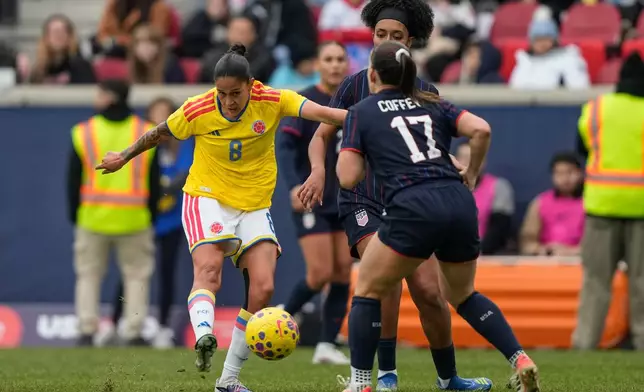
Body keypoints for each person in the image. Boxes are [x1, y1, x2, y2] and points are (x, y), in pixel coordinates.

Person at [95, 43, 347, 392]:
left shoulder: (273, 100)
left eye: (236, 93)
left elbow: (326, 114)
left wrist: (374, 118)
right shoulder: (197, 108)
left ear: (251, 85)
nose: (228, 101)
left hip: (254, 204)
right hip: (207, 198)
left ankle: (228, 381)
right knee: (209, 271)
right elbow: (159, 133)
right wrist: (124, 156)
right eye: (222, 93)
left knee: (264, 287)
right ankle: (204, 336)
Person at [297, 0, 490, 390]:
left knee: (430, 293)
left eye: (395, 36)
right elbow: (321, 136)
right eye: (380, 34)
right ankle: (385, 374)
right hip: (362, 201)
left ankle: (448, 378)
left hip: (409, 203)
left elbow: (429, 144)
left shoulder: (427, 92)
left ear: (412, 41)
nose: (385, 41)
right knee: (383, 279)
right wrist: (318, 171)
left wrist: (454, 163)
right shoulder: (354, 84)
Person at [336, 40, 540, 392]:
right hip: (459, 202)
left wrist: (361, 148)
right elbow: (481, 129)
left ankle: (361, 384)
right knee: (462, 295)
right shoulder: (432, 102)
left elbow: (348, 177)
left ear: (372, 74)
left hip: (413, 206)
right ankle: (518, 357)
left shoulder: (363, 111)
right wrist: (472, 172)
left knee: (368, 291)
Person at [67, 79, 159, 347]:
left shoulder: (83, 132)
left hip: (92, 218)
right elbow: (154, 181)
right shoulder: (145, 131)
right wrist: (149, 214)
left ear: (110, 96)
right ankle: (134, 331)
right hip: (135, 219)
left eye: (100, 93)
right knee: (137, 276)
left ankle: (87, 329)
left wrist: (76, 214)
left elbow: (73, 180)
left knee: (89, 275)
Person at [277, 41, 353, 365]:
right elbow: (286, 146)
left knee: (342, 273)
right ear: (318, 64)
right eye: (328, 59)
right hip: (313, 198)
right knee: (320, 272)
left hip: (346, 199)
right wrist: (295, 186)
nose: (335, 65)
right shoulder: (306, 101)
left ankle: (325, 345)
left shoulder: (355, 100)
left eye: (340, 59)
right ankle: (281, 317)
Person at [572, 52, 644, 350]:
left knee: (596, 282)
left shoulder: (598, 108)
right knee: (642, 282)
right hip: (641, 208)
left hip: (601, 206)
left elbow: (582, 148)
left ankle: (585, 342)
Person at [520, 152, 584, 256]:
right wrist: (542, 250)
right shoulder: (540, 202)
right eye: (559, 173)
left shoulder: (590, 203)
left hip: (578, 261)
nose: (565, 178)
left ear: (580, 173)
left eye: (570, 172)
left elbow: (596, 245)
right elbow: (527, 241)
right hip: (544, 262)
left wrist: (570, 251)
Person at [455, 143, 514, 254]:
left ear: (483, 161)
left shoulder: (498, 187)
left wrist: (478, 251)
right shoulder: (444, 188)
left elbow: (499, 228)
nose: (467, 163)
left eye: (472, 158)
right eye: (463, 158)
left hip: (486, 255)